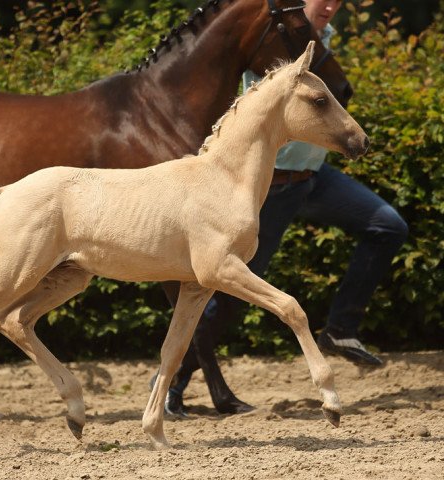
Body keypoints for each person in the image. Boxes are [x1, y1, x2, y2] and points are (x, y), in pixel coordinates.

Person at [160, 0, 409, 416]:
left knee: (387, 225)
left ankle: (341, 329)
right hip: (270, 185)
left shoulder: (322, 42)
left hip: (314, 178)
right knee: (231, 292)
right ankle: (171, 384)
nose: (330, 5)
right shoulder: (271, 41)